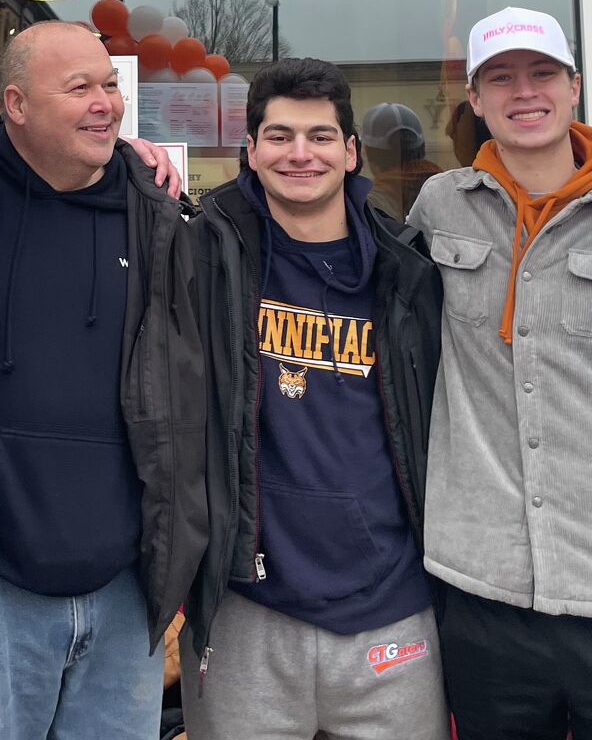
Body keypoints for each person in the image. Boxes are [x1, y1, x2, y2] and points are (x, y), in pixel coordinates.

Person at [413, 7, 592, 740]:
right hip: (483, 587)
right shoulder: (438, 208)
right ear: (474, 100)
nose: (523, 92)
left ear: (573, 88)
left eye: (542, 74)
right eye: (500, 78)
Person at [0, 22, 206, 740]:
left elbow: (191, 386)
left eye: (109, 85)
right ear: (15, 104)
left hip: (123, 591)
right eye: (78, 88)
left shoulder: (157, 213)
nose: (104, 103)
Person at [184, 58, 446, 740]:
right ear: (249, 150)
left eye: (321, 136)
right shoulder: (201, 258)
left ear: (351, 151)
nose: (300, 153)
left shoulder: (409, 270)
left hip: (393, 606)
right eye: (278, 135)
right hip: (246, 606)